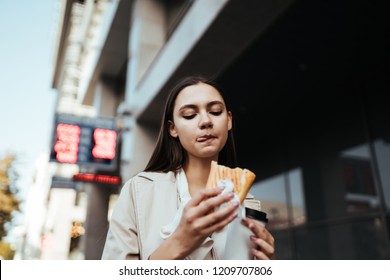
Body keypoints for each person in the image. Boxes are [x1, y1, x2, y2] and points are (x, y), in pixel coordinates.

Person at [101, 75, 275, 260]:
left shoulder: (246, 202)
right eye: (190, 115)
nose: (206, 121)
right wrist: (180, 242)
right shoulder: (138, 191)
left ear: (229, 120)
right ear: (172, 128)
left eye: (216, 111)